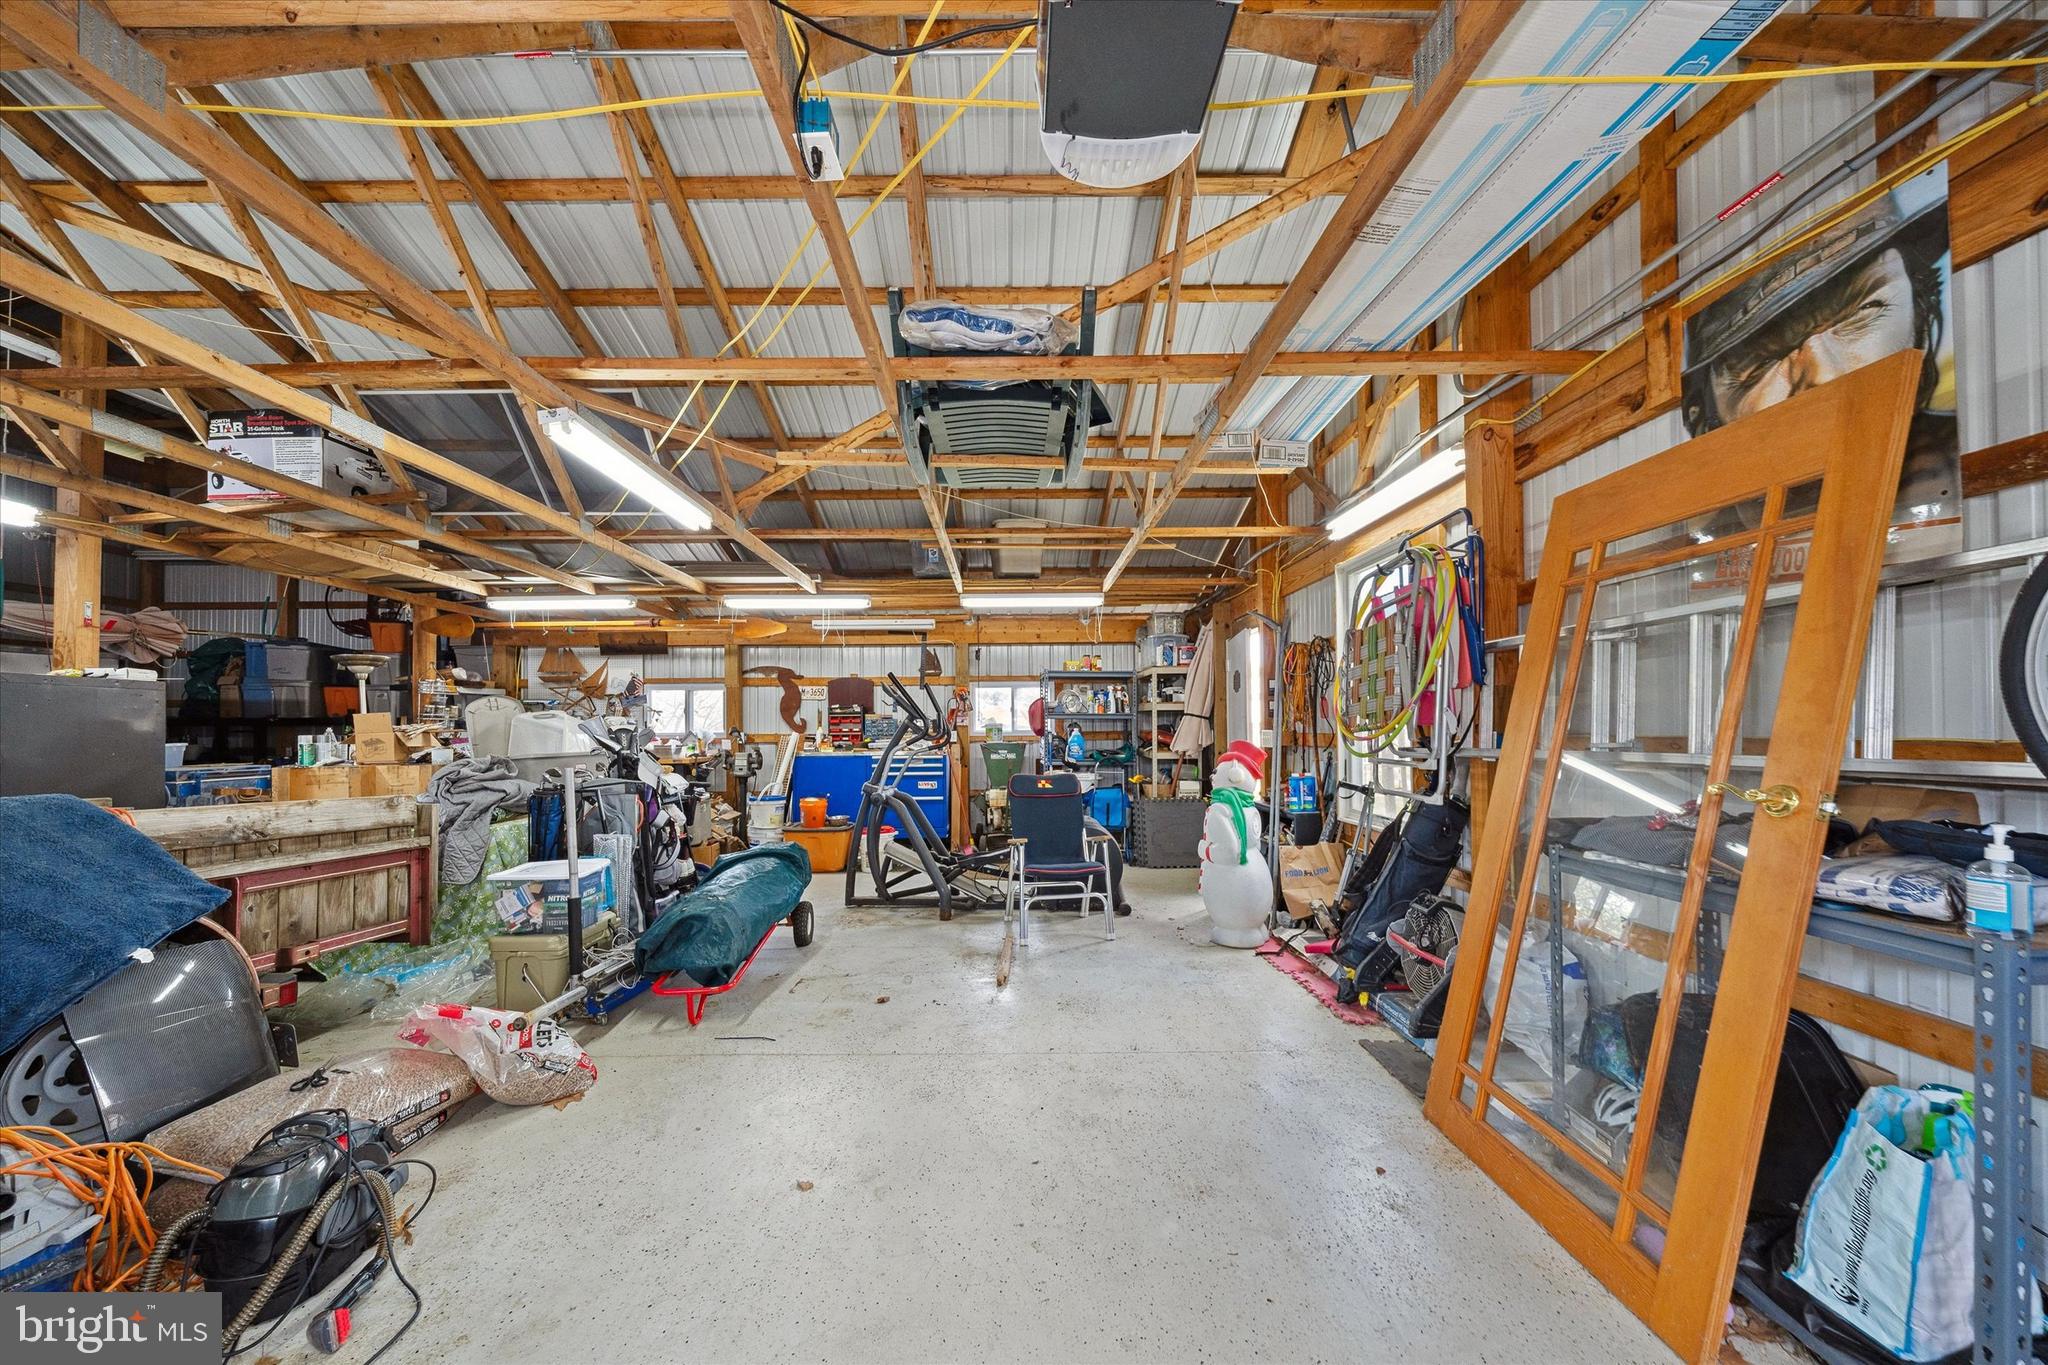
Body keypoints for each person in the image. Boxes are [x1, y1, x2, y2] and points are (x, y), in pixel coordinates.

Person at [1680, 187, 1956, 535]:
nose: (1823, 373)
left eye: (1863, 313)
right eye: (1763, 359)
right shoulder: (1696, 535)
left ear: (1919, 321)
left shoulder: (1959, 462)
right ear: (1705, 418)